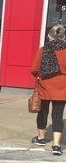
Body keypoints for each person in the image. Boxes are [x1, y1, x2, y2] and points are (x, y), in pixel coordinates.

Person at [30, 24, 66, 155]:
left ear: (50, 36)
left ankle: (40, 138)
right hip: (62, 88)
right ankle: (56, 146)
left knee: (43, 112)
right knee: (58, 115)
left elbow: (34, 69)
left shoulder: (43, 50)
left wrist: (40, 77)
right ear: (64, 37)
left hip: (45, 86)